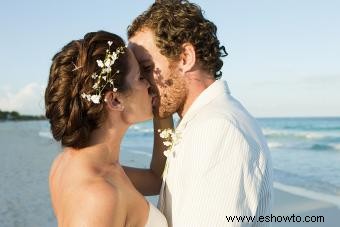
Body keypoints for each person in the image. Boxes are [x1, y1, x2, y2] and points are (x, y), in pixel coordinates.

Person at [125, 0, 273, 226]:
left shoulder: (217, 129)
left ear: (185, 58)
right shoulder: (201, 122)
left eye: (146, 68)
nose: (143, 84)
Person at [45, 31, 169, 226]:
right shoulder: (100, 196)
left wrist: (164, 112)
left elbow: (157, 179)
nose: (150, 84)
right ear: (115, 99)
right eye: (140, 77)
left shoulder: (68, 162)